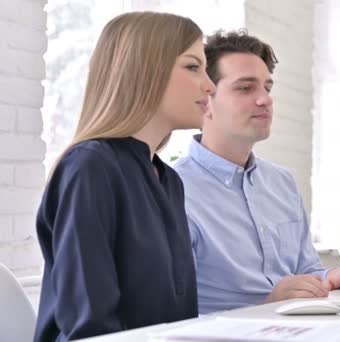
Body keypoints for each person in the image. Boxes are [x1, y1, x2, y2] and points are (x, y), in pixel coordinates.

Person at [34, 12, 216, 341]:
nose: (210, 85)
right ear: (145, 69)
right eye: (193, 67)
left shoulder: (169, 181)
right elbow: (88, 327)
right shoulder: (90, 168)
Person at [174, 29, 340, 314]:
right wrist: (265, 306)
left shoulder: (280, 182)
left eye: (267, 88)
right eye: (246, 88)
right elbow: (174, 314)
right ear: (205, 100)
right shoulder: (173, 190)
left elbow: (306, 269)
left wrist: (329, 280)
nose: (265, 99)